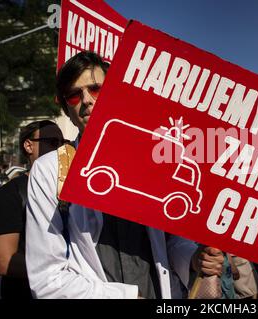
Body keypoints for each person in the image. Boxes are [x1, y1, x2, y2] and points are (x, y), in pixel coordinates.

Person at [26, 51, 223, 299]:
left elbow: (171, 240)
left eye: (96, 89)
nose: (86, 100)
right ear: (66, 105)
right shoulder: (50, 170)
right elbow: (47, 278)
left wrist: (194, 259)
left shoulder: (152, 158)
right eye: (75, 95)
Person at [0, 120, 64, 299]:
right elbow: (3, 261)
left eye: (63, 142)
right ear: (29, 146)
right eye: (52, 142)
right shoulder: (9, 193)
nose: (60, 148)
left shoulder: (73, 188)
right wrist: (65, 272)